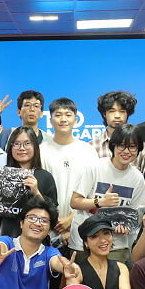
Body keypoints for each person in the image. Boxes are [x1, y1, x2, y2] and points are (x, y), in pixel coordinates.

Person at [70, 124, 145, 260]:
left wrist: (126, 226)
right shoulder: (95, 167)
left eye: (132, 147)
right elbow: (75, 202)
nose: (126, 151)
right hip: (85, 241)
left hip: (117, 244)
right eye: (121, 146)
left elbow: (136, 215)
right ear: (113, 146)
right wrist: (100, 202)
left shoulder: (138, 178)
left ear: (138, 150)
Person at [40, 97, 98, 243]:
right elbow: (39, 191)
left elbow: (94, 190)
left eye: (68, 115)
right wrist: (54, 219)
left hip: (82, 226)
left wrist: (71, 219)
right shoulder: (41, 151)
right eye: (58, 115)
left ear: (76, 119)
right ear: (50, 120)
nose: (63, 119)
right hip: (48, 226)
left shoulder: (88, 151)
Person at [0, 126, 58, 241]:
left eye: (27, 143)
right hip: (2, 236)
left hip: (36, 239)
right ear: (10, 147)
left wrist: (36, 192)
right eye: (16, 144)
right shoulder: (0, 174)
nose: (22, 148)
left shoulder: (45, 177)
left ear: (35, 146)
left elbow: (52, 215)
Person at [94, 90, 145, 171]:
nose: (117, 116)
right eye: (112, 111)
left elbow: (143, 177)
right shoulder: (92, 147)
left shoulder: (141, 148)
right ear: (104, 114)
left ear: (128, 114)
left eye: (122, 111)